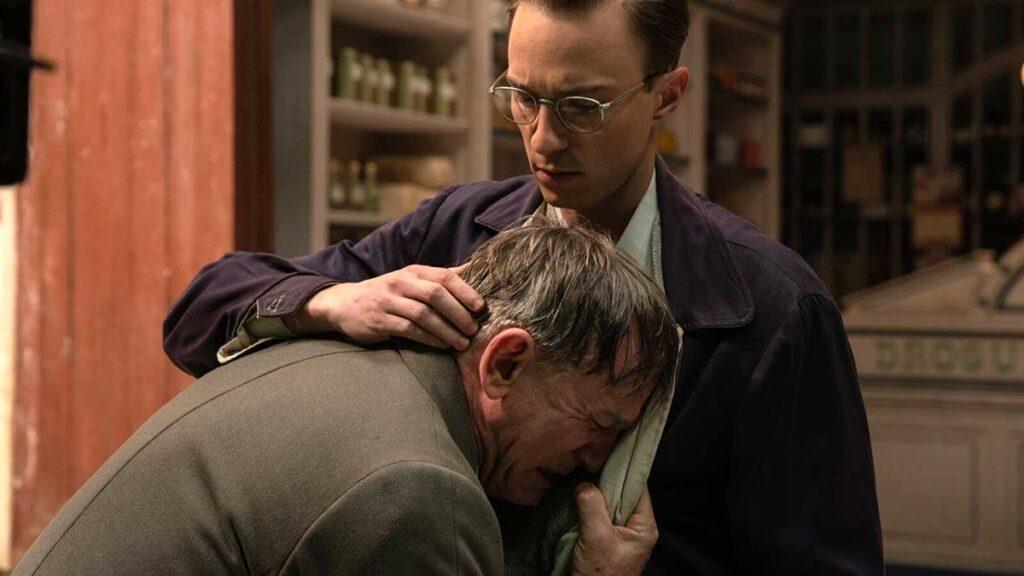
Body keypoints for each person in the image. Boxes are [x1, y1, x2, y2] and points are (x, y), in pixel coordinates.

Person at [163, 0, 885, 573]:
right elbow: (198, 314)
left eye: (581, 107)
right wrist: (330, 300)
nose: (541, 138)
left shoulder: (773, 311)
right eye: (521, 97)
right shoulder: (455, 232)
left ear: (667, 96)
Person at [14, 223, 678, 576]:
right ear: (504, 363)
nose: (598, 459)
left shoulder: (333, 358)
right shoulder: (418, 494)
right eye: (599, 424)